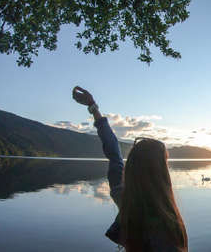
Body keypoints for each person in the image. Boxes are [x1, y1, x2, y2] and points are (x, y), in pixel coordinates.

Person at [72, 86, 188, 252]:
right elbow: (114, 153)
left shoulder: (125, 200)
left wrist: (93, 108)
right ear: (162, 171)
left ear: (132, 166)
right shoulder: (169, 220)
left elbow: (114, 154)